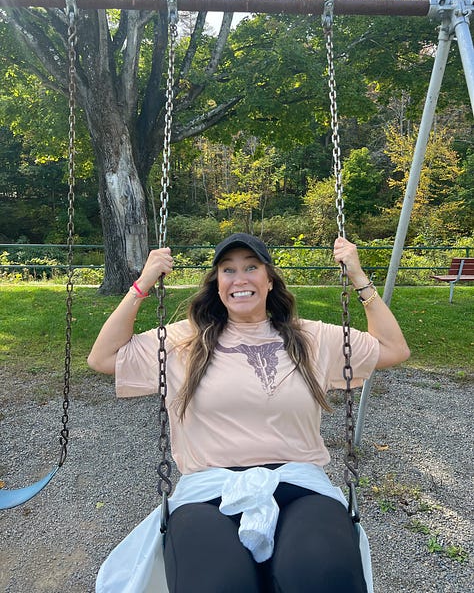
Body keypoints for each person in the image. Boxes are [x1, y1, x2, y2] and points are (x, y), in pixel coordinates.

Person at [88, 233, 410, 593]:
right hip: (207, 490)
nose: (240, 278)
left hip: (299, 485)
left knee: (322, 573)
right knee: (217, 583)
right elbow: (102, 359)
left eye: (251, 267)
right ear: (218, 284)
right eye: (228, 270)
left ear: (269, 280)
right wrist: (143, 283)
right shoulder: (183, 341)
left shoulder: (312, 338)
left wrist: (359, 279)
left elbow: (393, 349)